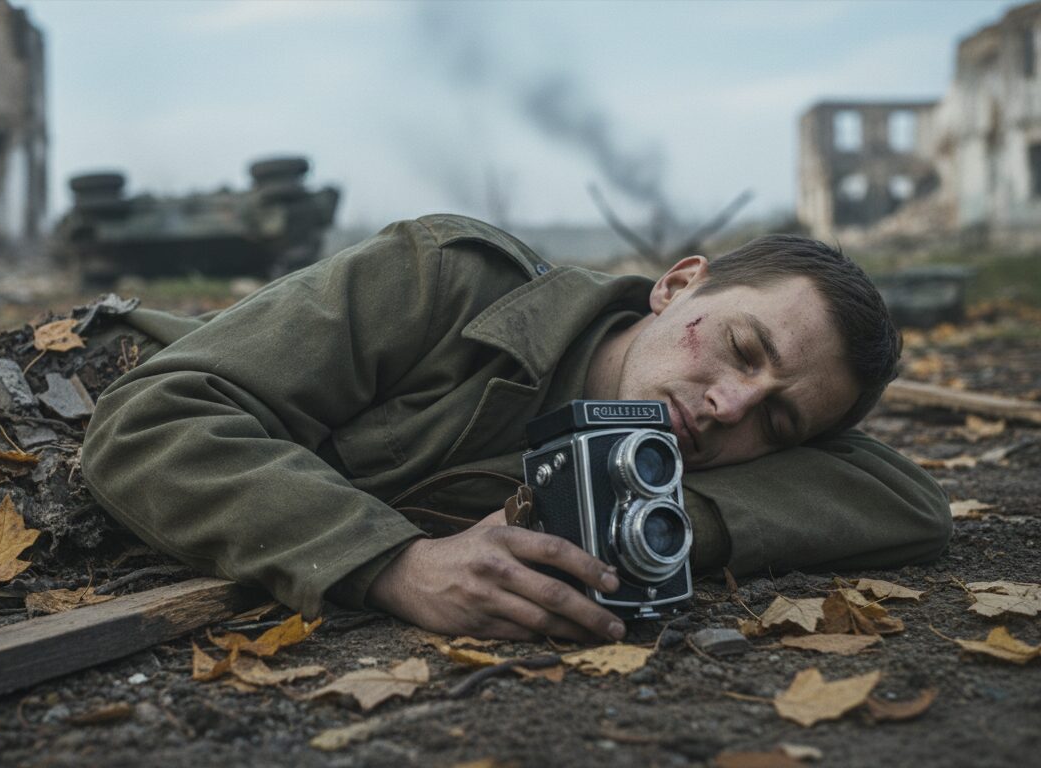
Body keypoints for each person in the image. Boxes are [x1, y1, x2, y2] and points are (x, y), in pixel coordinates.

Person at [80, 214, 950, 643]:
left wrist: (651, 524)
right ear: (679, 285)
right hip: (78, 377)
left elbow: (907, 502)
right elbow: (152, 420)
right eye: (739, 348)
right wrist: (393, 564)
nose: (730, 407)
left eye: (779, 419)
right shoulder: (445, 280)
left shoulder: (713, 437)